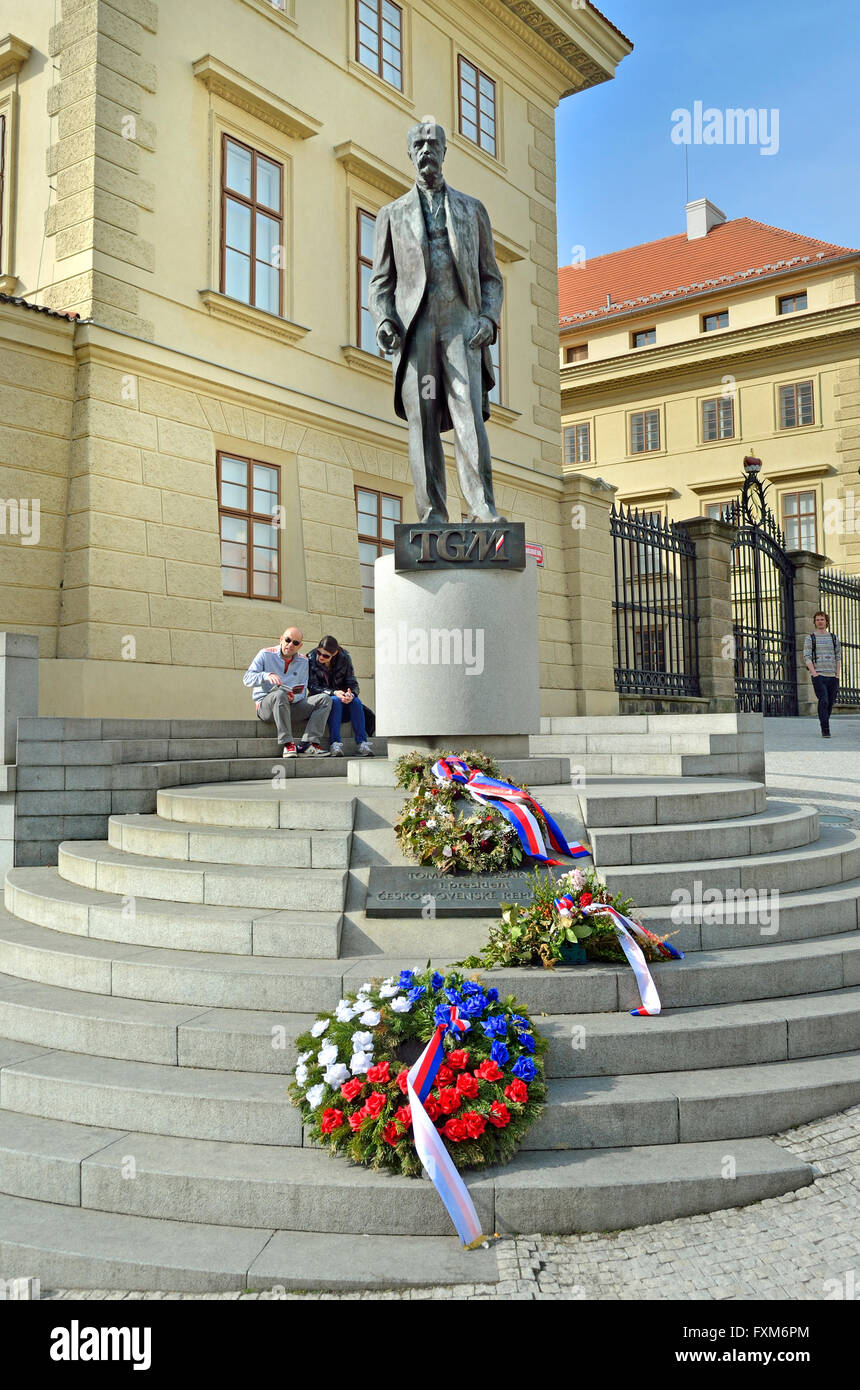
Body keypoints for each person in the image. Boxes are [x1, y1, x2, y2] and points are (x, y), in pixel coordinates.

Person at [368, 118, 505, 525]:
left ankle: (482, 508)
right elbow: (380, 281)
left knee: (468, 417)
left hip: (461, 322)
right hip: (417, 326)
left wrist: (488, 317)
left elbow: (491, 277)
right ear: (410, 155)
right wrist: (384, 320)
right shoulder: (391, 215)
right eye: (419, 144)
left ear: (445, 152)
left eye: (433, 143)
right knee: (423, 421)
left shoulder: (472, 210)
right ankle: (432, 515)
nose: (426, 150)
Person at [243, 627, 331, 757]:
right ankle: (288, 743)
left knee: (325, 699)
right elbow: (247, 679)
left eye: (295, 643)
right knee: (279, 694)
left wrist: (293, 698)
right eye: (288, 640)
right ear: (281, 639)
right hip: (266, 708)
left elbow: (301, 691)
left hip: (291, 707)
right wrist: (265, 676)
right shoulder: (265, 654)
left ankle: (309, 744)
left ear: (300, 646)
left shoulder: (303, 662)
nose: (290, 645)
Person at [307, 635, 373, 757]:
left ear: (335, 653)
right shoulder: (311, 658)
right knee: (335, 700)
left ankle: (362, 743)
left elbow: (353, 683)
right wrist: (334, 693)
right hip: (323, 703)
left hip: (342, 700)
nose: (321, 657)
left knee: (356, 701)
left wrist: (350, 694)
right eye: (319, 653)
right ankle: (335, 743)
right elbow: (312, 686)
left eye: (326, 655)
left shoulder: (345, 658)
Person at [803, 610, 841, 738]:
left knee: (830, 703)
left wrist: (837, 675)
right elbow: (807, 657)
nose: (820, 622)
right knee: (823, 700)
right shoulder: (810, 638)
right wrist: (815, 674)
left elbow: (838, 657)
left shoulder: (833, 638)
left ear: (826, 622)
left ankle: (824, 722)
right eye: (818, 619)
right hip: (819, 675)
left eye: (822, 619)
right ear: (814, 622)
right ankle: (825, 729)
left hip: (833, 676)